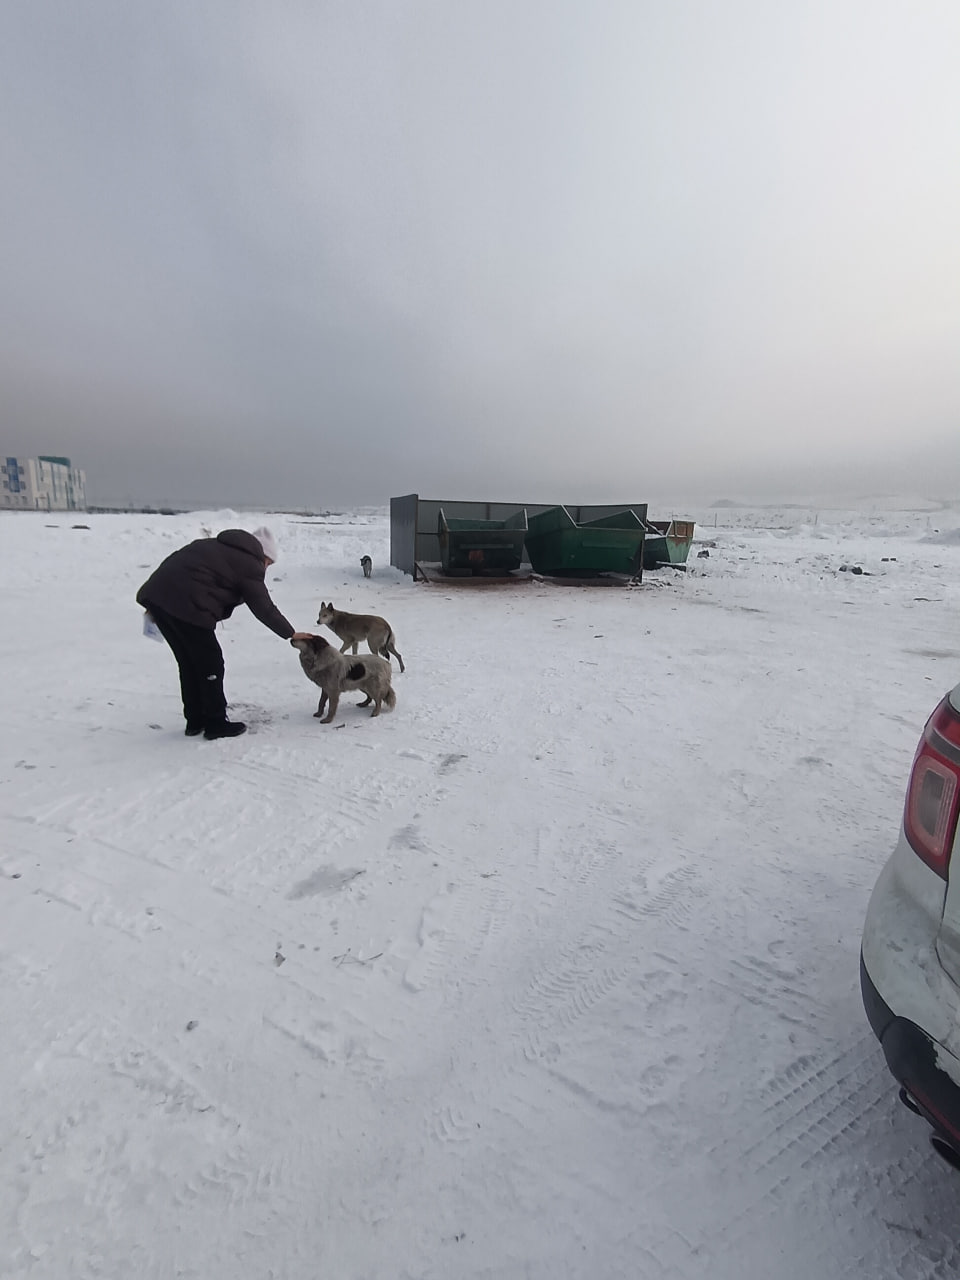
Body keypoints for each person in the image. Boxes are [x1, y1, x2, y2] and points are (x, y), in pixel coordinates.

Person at [137, 525, 312, 739]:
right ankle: (215, 723)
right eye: (268, 563)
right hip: (189, 608)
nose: (266, 568)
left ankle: (195, 720)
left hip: (160, 600)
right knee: (211, 664)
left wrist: (157, 603)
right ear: (263, 554)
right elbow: (263, 607)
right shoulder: (249, 563)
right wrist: (290, 633)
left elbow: (174, 565)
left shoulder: (212, 546)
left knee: (189, 662)